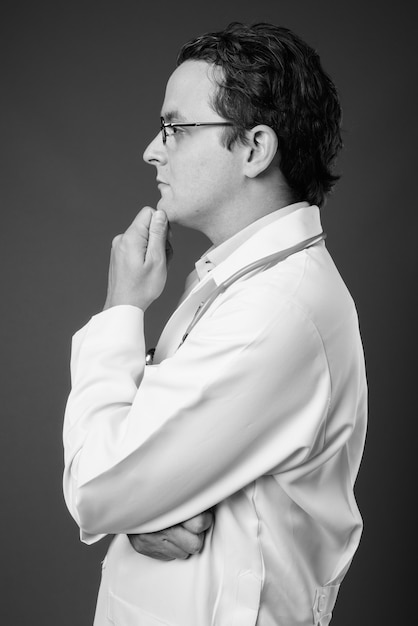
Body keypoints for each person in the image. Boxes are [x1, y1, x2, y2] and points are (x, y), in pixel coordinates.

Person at [63, 22, 367, 626]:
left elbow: (97, 484)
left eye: (175, 127)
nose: (153, 149)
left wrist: (121, 308)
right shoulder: (240, 279)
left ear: (254, 149)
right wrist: (141, 504)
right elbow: (137, 475)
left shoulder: (273, 309)